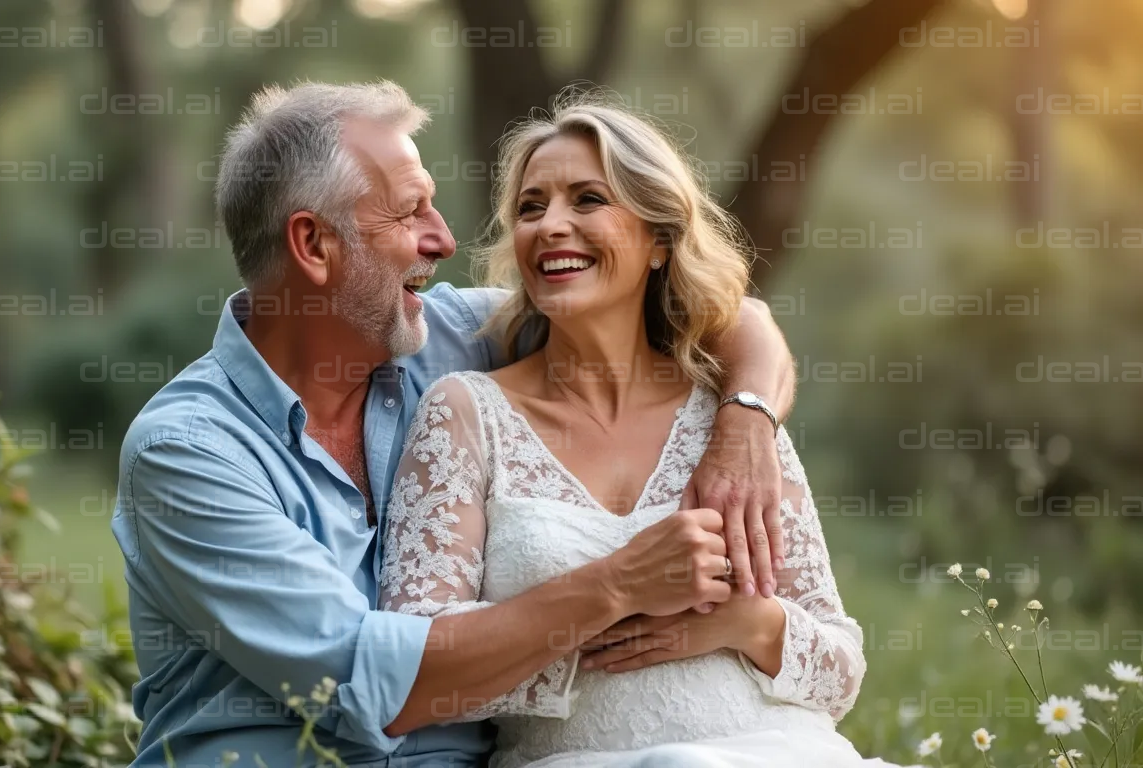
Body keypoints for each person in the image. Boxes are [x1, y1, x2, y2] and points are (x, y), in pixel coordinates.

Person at [112, 81, 796, 768]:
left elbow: (715, 315)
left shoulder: (447, 336)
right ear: (314, 245)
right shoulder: (187, 452)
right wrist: (619, 584)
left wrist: (746, 423)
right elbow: (371, 683)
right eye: (411, 213)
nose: (442, 239)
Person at [377, 93, 903, 768]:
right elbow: (413, 673)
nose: (551, 225)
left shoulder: (734, 419)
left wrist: (744, 623)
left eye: (588, 199)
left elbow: (840, 673)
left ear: (658, 241)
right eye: (531, 208)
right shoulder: (465, 414)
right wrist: (612, 595)